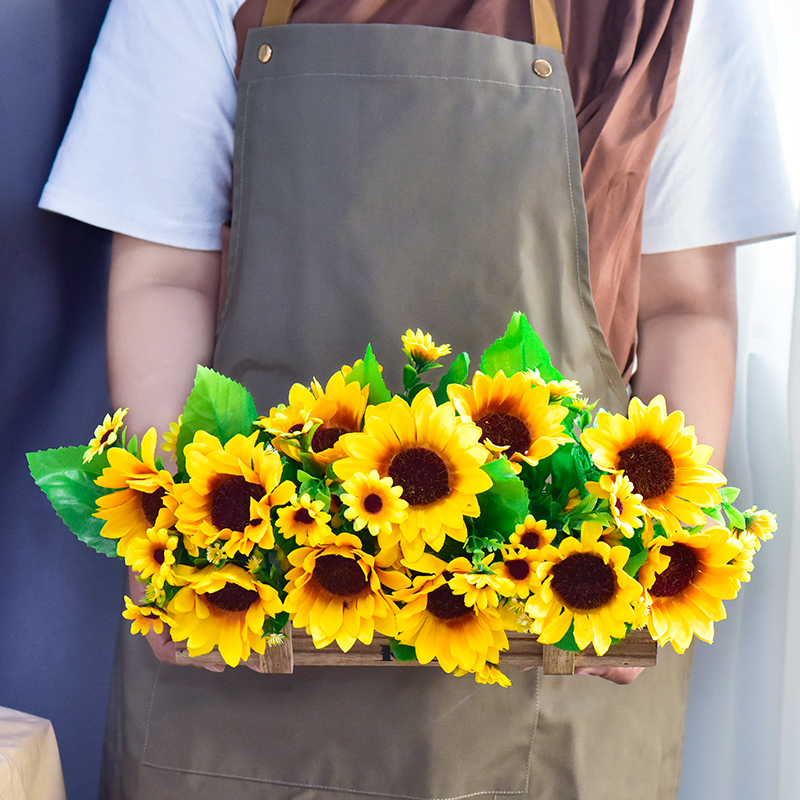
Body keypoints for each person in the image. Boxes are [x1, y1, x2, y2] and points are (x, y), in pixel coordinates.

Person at [39, 1, 794, 798]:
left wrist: (657, 555)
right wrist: (177, 540)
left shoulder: (667, 13)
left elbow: (686, 308)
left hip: (549, 654)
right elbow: (165, 275)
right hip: (242, 638)